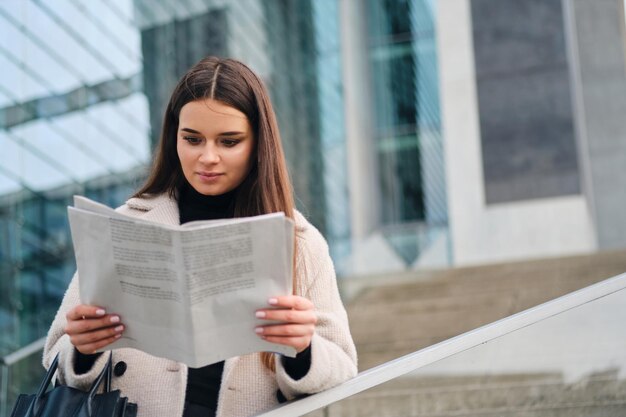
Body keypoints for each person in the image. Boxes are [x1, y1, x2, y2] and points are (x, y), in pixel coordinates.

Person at [43, 56, 358, 417]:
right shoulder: (123, 226)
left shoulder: (300, 242)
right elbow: (57, 352)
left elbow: (342, 365)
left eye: (229, 141)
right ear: (173, 137)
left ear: (258, 144)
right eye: (192, 139)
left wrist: (303, 349)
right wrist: (84, 349)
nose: (208, 157)